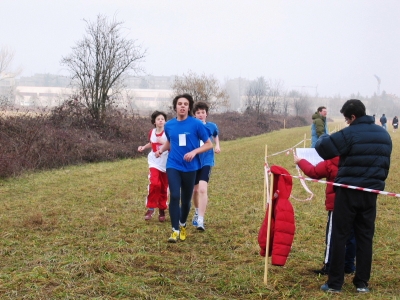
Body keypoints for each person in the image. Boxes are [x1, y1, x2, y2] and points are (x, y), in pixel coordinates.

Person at [315, 99, 392, 293]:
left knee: (340, 235)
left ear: (353, 117)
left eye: (347, 119)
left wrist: (326, 135)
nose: (347, 123)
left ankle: (334, 283)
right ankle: (361, 283)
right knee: (365, 237)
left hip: (348, 191)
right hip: (370, 194)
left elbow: (323, 148)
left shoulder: (349, 133)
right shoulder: (384, 134)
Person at [155, 94, 213, 243]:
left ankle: (183, 224)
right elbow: (170, 141)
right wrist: (161, 150)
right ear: (175, 106)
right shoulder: (169, 125)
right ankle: (174, 230)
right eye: (179, 103)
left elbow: (208, 144)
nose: (182, 106)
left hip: (191, 166)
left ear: (189, 107)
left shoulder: (196, 124)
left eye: (185, 104)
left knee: (186, 200)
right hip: (173, 164)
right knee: (174, 196)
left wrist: (194, 152)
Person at [294, 154, 356, 275]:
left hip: (336, 205)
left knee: (332, 235)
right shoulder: (357, 158)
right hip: (355, 203)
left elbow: (314, 172)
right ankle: (349, 265)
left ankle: (329, 265)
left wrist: (301, 161)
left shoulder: (331, 161)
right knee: (352, 235)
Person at [191, 101, 221, 231]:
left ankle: (201, 220)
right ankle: (197, 211)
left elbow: (215, 135)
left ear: (206, 114)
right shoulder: (191, 126)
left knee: (203, 189)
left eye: (203, 112)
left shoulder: (211, 126)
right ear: (194, 115)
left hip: (207, 160)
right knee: (195, 190)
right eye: (198, 113)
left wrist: (218, 145)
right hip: (193, 161)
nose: (200, 114)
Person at [138, 111, 169, 222]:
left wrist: (163, 143)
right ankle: (151, 208)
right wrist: (143, 147)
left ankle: (162, 209)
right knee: (155, 183)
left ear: (165, 121)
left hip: (166, 163)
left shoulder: (168, 133)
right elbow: (151, 143)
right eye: (158, 119)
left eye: (162, 119)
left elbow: (173, 147)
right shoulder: (151, 132)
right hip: (154, 162)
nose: (161, 120)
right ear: (154, 122)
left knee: (163, 187)